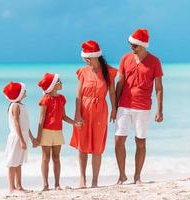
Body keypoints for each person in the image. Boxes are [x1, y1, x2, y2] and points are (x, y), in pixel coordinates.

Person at [115, 28, 164, 184]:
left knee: (140, 141)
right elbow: (120, 82)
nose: (132, 48)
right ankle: (122, 175)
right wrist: (114, 106)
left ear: (142, 46)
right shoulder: (125, 59)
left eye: (134, 46)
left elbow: (159, 88)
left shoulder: (154, 61)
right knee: (118, 140)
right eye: (130, 45)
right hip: (124, 105)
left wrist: (160, 110)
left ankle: (137, 177)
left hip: (143, 107)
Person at [70, 40, 118, 188]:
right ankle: (82, 178)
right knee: (82, 145)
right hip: (84, 109)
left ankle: (95, 180)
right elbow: (78, 94)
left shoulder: (109, 71)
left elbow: (111, 92)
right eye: (85, 59)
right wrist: (77, 114)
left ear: (95, 56)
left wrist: (114, 109)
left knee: (97, 146)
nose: (86, 61)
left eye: (88, 58)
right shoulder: (83, 72)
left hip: (100, 111)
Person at [36, 73, 79, 191]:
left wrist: (74, 122)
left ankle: (57, 184)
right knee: (46, 158)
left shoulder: (62, 99)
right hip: (46, 132)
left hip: (58, 132)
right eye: (59, 81)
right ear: (53, 85)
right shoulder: (45, 99)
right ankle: (45, 185)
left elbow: (63, 116)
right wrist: (38, 137)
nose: (61, 83)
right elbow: (41, 119)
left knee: (56, 158)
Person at [3, 81, 37, 193]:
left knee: (19, 162)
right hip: (17, 137)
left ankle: (19, 186)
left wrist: (32, 139)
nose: (25, 91)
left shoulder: (21, 105)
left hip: (23, 136)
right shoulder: (15, 106)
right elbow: (17, 124)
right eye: (24, 90)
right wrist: (22, 140)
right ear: (19, 94)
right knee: (13, 163)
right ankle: (11, 188)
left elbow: (26, 126)